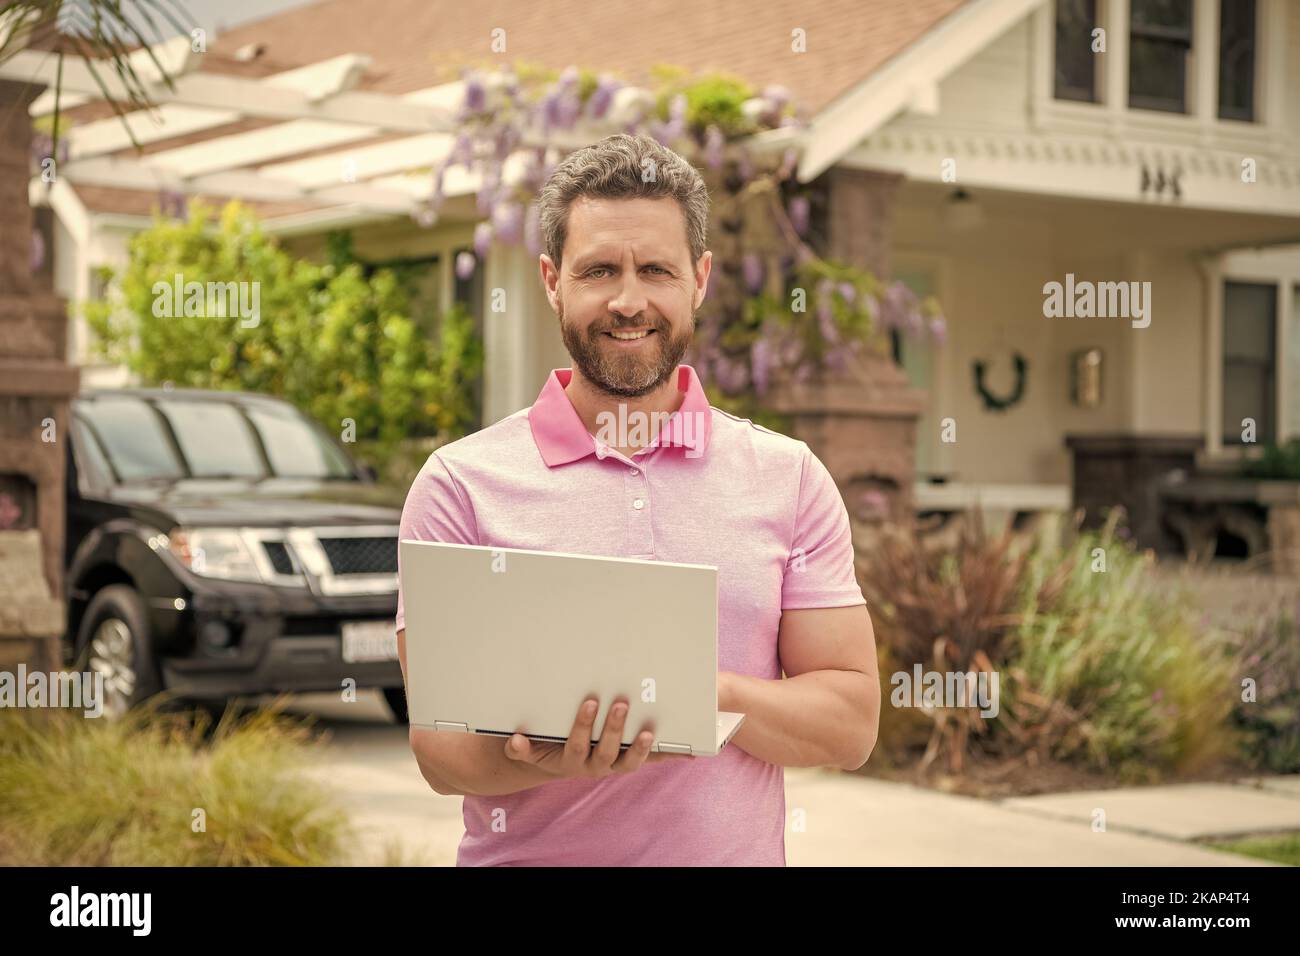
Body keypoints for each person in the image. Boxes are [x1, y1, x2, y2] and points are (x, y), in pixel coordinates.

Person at [396, 133, 879, 866]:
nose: (629, 301)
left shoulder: (788, 477)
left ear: (701, 279)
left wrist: (692, 692)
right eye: (599, 271)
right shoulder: (459, 486)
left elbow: (849, 723)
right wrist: (552, 757)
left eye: (655, 269)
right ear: (553, 281)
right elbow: (440, 751)